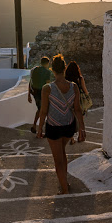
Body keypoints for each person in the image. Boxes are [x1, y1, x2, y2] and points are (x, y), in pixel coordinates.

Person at [37, 54, 86, 194]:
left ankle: (64, 189)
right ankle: (65, 182)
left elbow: (43, 111)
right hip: (68, 127)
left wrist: (40, 128)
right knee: (62, 154)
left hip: (53, 128)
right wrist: (82, 128)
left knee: (58, 160)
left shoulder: (48, 89)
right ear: (64, 69)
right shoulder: (74, 87)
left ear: (53, 70)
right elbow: (77, 109)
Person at [65, 60, 91, 145]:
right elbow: (85, 90)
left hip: (69, 99)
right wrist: (87, 96)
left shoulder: (66, 78)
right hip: (79, 100)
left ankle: (72, 138)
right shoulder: (80, 78)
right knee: (80, 118)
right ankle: (80, 136)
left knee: (70, 119)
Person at [28, 56, 52, 134]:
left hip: (35, 93)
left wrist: (29, 94)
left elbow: (30, 82)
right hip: (43, 93)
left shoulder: (34, 70)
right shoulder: (47, 72)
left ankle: (35, 126)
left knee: (40, 109)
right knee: (44, 110)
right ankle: (41, 129)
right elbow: (48, 84)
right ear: (47, 63)